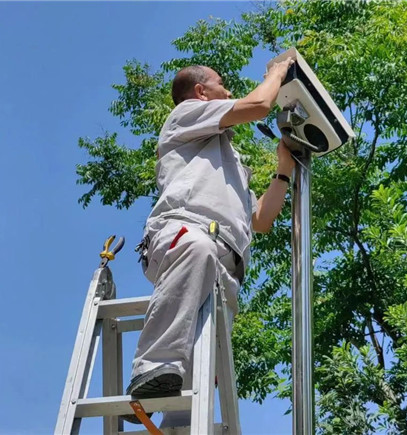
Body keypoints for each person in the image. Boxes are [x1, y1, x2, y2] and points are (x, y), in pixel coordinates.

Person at [126, 58, 296, 428]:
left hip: (226, 272)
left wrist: (284, 169)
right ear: (201, 92)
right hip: (185, 236)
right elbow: (258, 106)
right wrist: (276, 74)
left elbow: (261, 220)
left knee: (190, 405)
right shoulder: (186, 115)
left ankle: (172, 415)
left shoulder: (232, 163)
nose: (229, 91)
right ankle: (150, 370)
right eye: (222, 85)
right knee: (198, 248)